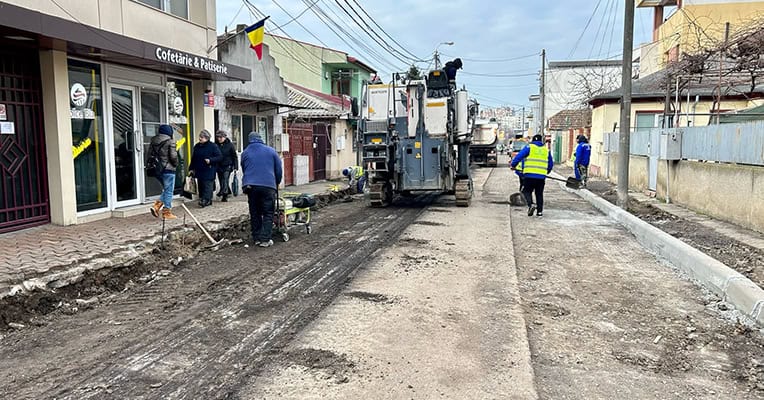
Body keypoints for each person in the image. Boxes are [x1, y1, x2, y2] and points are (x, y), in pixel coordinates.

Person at [241, 131, 283, 248]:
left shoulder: (245, 152)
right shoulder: (271, 151)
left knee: (255, 212)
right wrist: (277, 182)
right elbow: (278, 169)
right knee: (268, 212)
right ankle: (265, 239)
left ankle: (257, 238)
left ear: (249, 140)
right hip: (268, 185)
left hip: (250, 186)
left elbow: (244, 168)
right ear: (261, 139)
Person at [511, 134, 554, 217]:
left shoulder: (529, 147)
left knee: (526, 191)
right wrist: (546, 172)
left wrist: (513, 165)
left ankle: (531, 205)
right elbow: (550, 164)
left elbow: (519, 156)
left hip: (529, 175)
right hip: (541, 177)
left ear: (533, 140)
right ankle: (539, 212)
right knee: (539, 193)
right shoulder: (546, 150)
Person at [149, 124, 179, 219]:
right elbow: (173, 157)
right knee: (169, 191)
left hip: (157, 169)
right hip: (168, 169)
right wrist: (176, 164)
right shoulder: (170, 141)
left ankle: (157, 206)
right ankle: (166, 212)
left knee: (166, 189)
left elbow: (149, 155)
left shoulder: (153, 141)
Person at [189, 129, 222, 208]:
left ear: (207, 138)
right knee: (201, 185)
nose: (200, 138)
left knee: (207, 185)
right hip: (199, 169)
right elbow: (194, 158)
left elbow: (219, 157)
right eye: (200, 137)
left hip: (209, 169)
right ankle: (206, 200)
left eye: (202, 137)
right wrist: (191, 168)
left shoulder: (213, 146)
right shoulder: (197, 146)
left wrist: (210, 160)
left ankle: (205, 200)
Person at [215, 130, 238, 202]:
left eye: (221, 137)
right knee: (221, 180)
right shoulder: (215, 145)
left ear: (225, 137)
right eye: (218, 137)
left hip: (227, 165)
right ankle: (226, 192)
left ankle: (224, 194)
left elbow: (234, 156)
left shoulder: (230, 145)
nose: (219, 139)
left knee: (225, 179)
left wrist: (235, 166)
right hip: (219, 165)